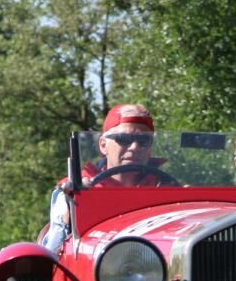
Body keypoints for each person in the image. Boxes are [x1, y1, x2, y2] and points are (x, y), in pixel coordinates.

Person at [42, 104, 164, 252]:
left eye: (144, 141)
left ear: (150, 147)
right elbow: (52, 252)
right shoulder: (75, 189)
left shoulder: (166, 187)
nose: (134, 147)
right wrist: (70, 208)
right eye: (123, 139)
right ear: (103, 145)